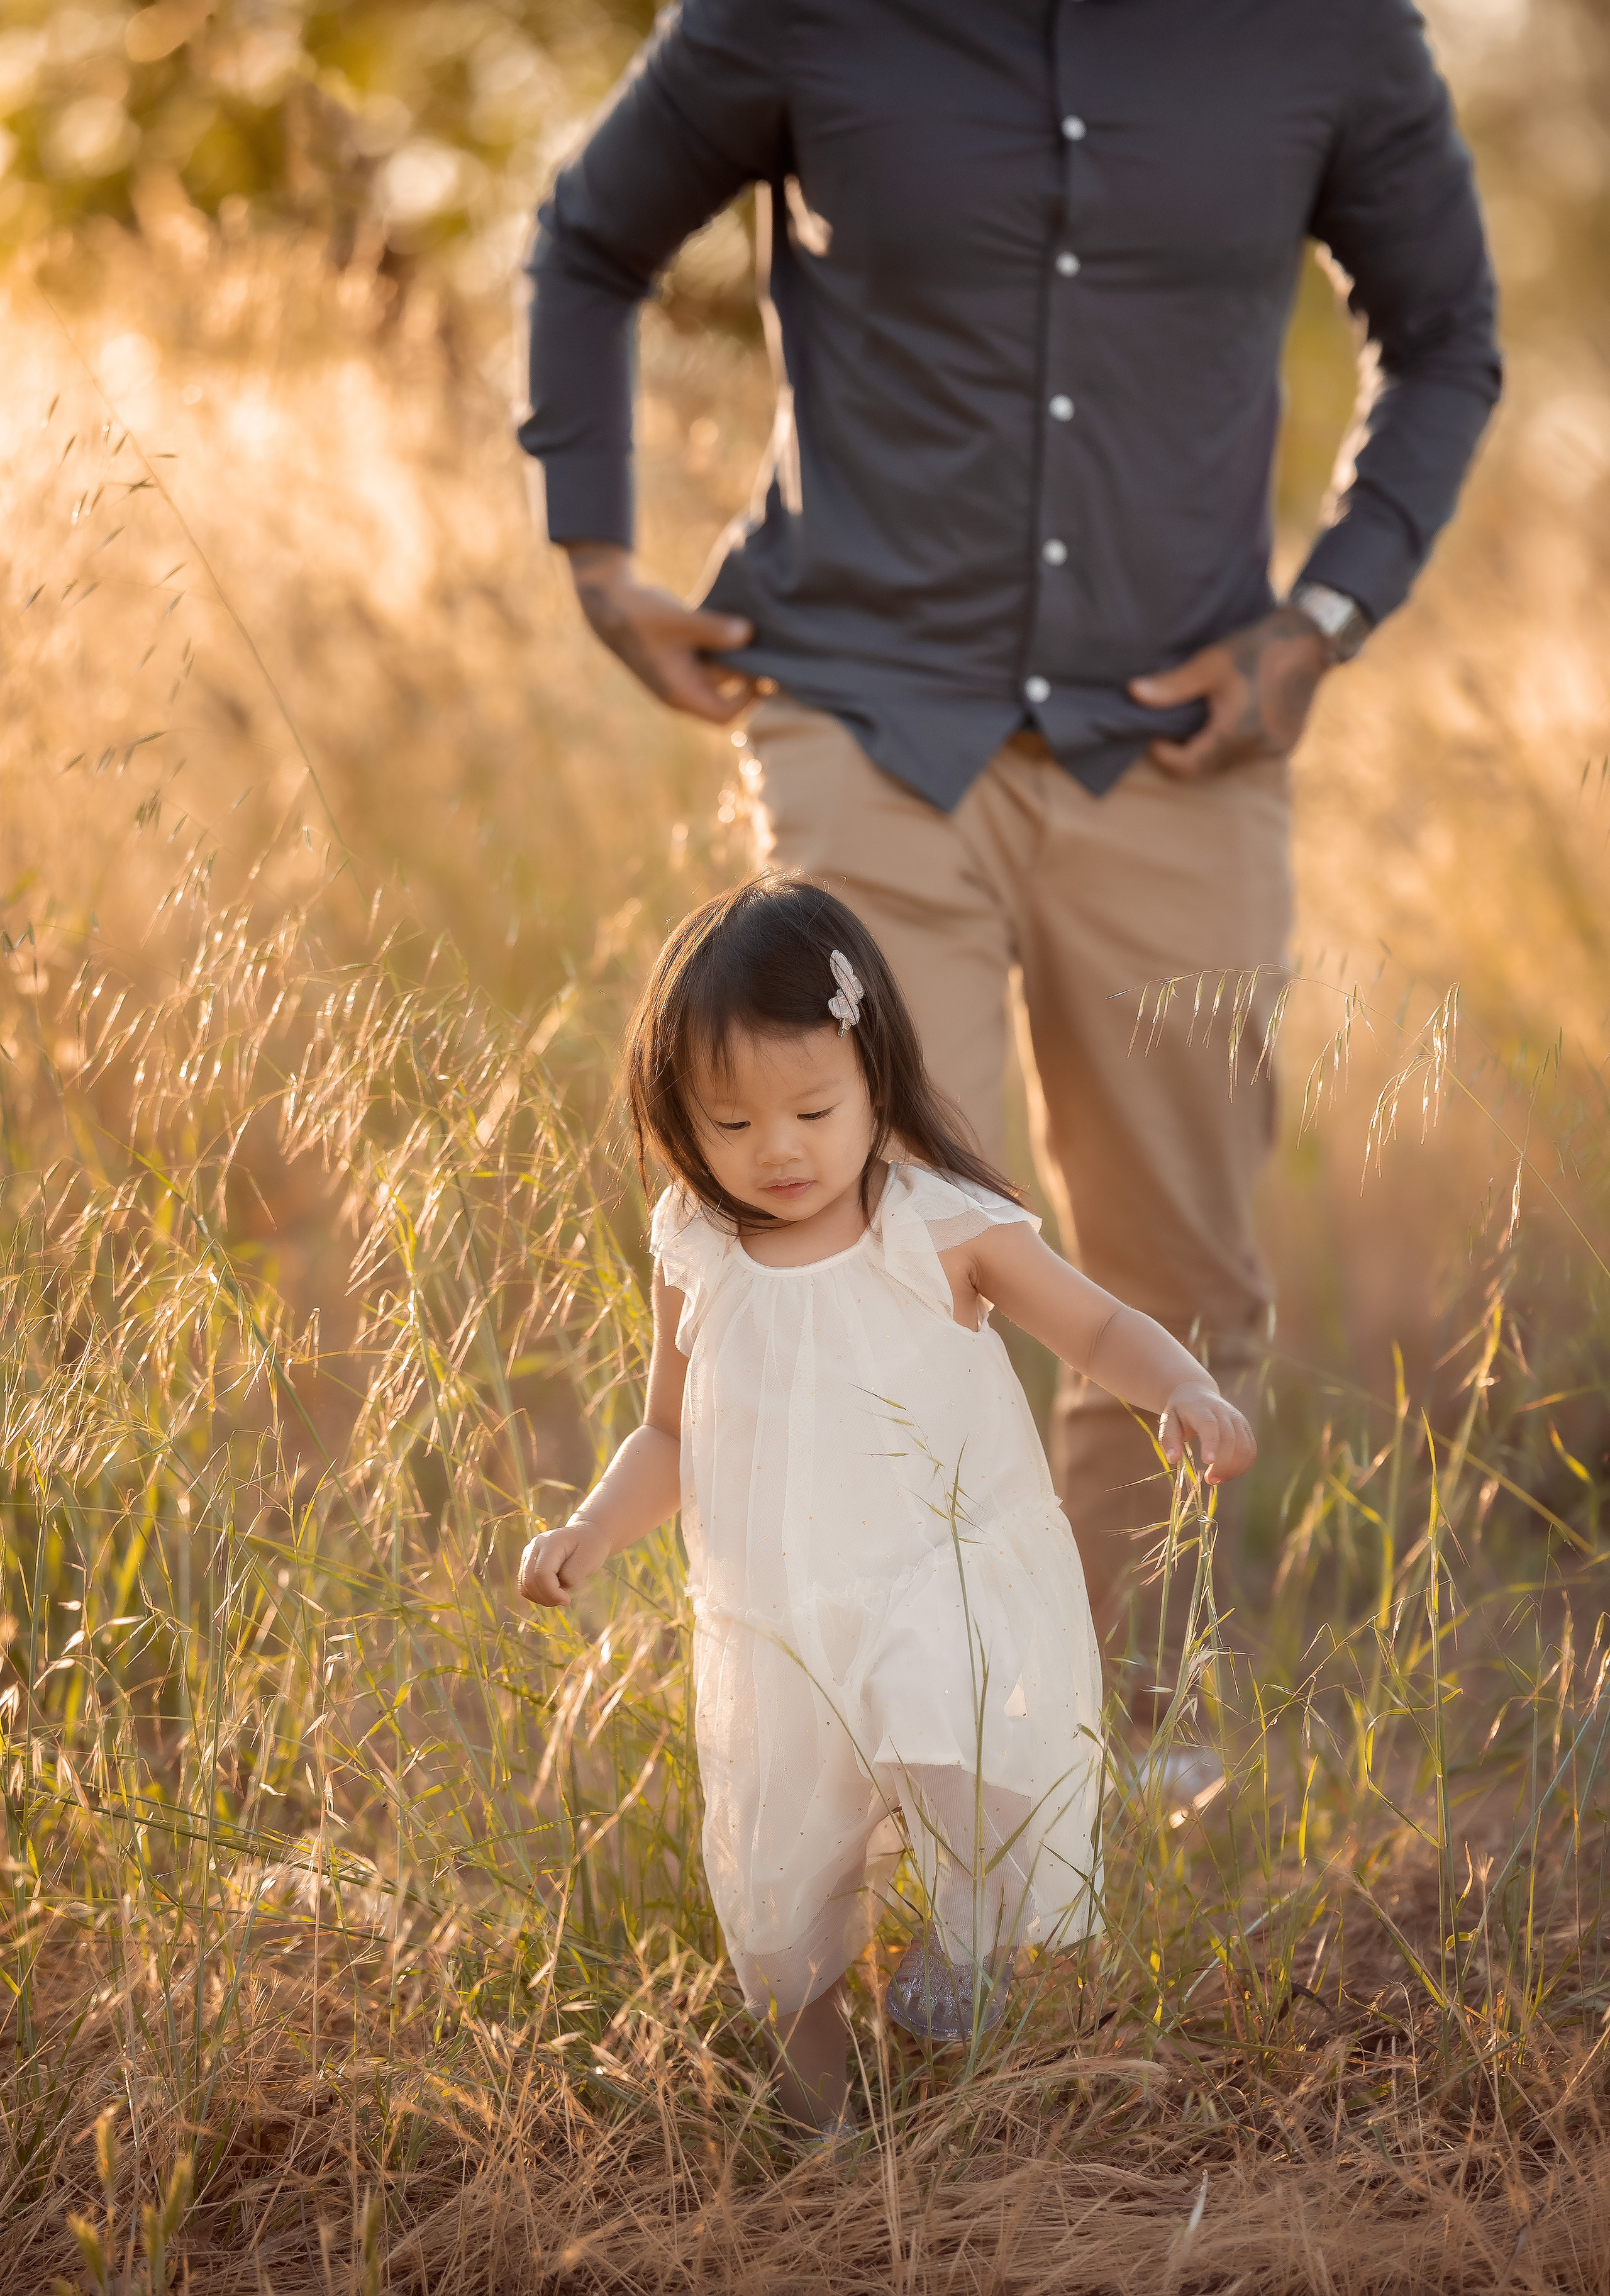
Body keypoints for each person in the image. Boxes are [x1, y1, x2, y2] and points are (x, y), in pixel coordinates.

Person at [517, 1, 1501, 1676]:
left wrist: (1325, 615)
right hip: (864, 708)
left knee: (1177, 1266)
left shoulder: (1327, 29)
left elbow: (1447, 334)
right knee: (872, 1236)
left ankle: (1128, 1728)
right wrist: (598, 554)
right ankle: (906, 1744)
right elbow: (591, 236)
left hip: (1181, 737)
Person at [518, 879, 1255, 2135]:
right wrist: (590, 1526)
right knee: (783, 1894)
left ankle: (964, 1958)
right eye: (732, 1121)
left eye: (813, 1110)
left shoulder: (936, 1224)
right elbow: (668, 1432)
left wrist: (1180, 1386)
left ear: (875, 1078)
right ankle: (824, 2136)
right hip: (782, 1620)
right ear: (680, 1118)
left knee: (969, 1764)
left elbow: (1092, 1325)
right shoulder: (696, 1244)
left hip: (935, 1578)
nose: (780, 1149)